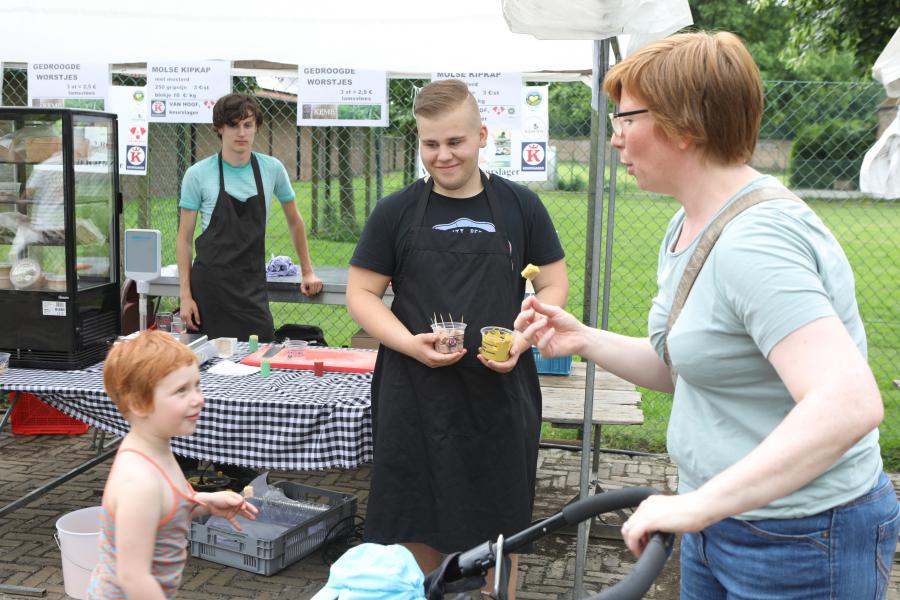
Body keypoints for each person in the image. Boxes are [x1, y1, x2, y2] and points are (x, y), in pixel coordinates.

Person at [515, 31, 899, 598]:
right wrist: (584, 339)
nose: (615, 139)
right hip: (717, 519)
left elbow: (848, 404)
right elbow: (688, 368)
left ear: (685, 125)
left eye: (626, 120)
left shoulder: (757, 240)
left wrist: (696, 505)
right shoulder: (690, 223)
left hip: (801, 540)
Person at [346, 79, 568, 596]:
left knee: (501, 526)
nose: (442, 156)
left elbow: (553, 281)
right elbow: (361, 292)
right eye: (430, 144)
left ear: (482, 136)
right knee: (415, 516)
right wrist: (407, 343)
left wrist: (524, 338)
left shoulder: (520, 207)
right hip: (415, 395)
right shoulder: (396, 212)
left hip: (499, 394)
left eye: (455, 142)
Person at [86, 331, 257, 598]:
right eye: (181, 391)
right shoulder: (139, 481)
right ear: (139, 404)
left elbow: (166, 506)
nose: (198, 399)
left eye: (197, 386)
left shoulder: (158, 448)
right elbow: (133, 576)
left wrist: (205, 502)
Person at [176, 93, 323, 342]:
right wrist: (185, 296)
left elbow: (295, 221)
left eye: (248, 125)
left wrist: (307, 272)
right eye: (233, 125)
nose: (241, 133)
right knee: (210, 367)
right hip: (210, 290)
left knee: (260, 360)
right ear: (219, 128)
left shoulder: (272, 169)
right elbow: (184, 239)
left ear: (256, 128)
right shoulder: (197, 174)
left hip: (252, 289)